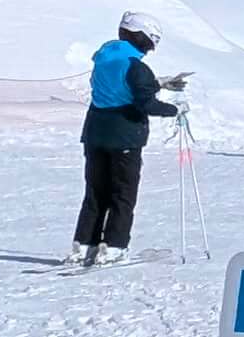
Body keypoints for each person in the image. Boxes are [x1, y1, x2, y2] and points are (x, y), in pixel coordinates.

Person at [73, 14, 186, 268]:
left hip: (95, 132)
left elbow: (119, 85)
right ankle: (114, 246)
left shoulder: (104, 55)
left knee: (95, 191)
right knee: (122, 193)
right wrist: (174, 109)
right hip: (123, 134)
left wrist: (158, 83)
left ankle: (84, 244)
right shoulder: (137, 66)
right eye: (151, 42)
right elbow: (144, 102)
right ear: (142, 37)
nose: (151, 48)